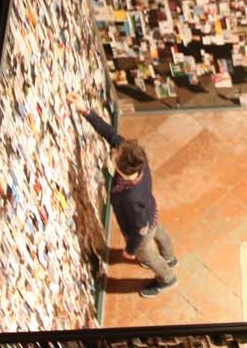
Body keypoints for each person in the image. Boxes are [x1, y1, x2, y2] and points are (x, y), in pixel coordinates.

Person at [72, 98, 178, 297]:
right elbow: (110, 134)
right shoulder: (134, 159)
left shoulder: (130, 197)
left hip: (141, 229)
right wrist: (86, 112)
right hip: (151, 211)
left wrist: (130, 249)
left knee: (148, 255)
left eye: (114, 154)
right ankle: (170, 256)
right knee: (160, 232)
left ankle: (167, 278)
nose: (113, 150)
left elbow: (139, 232)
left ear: (121, 169)